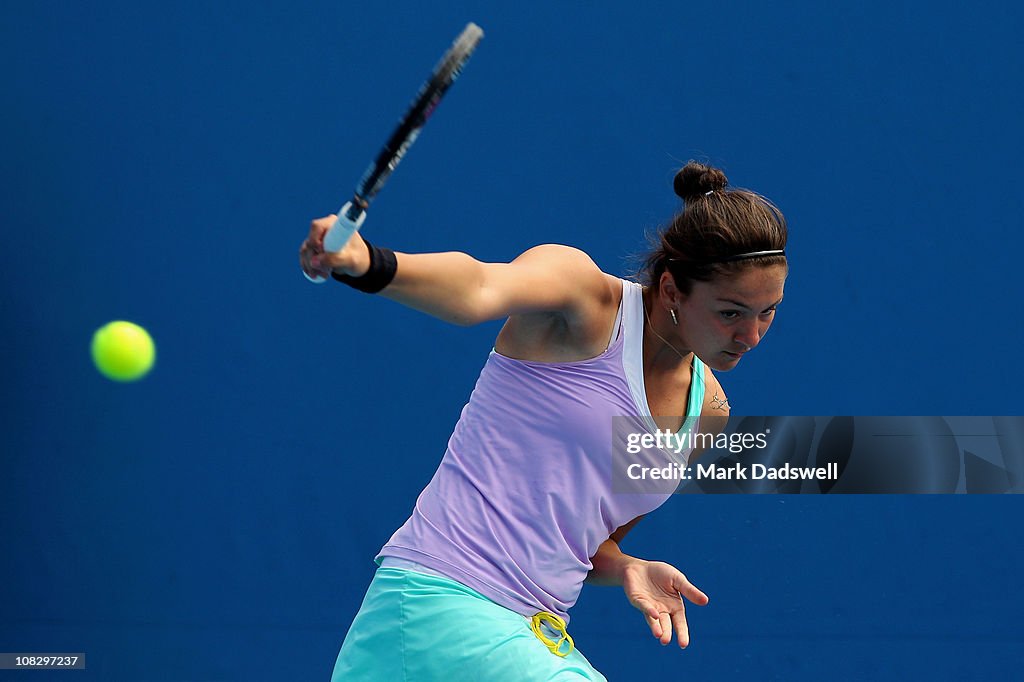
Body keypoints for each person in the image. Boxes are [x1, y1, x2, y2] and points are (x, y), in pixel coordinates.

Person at [299, 161, 788, 680]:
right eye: (731, 313)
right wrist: (368, 262)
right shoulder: (583, 301)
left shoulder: (708, 412)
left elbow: (585, 539)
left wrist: (626, 567)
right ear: (671, 289)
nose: (751, 336)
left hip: (531, 633)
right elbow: (477, 287)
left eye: (768, 312)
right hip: (439, 606)